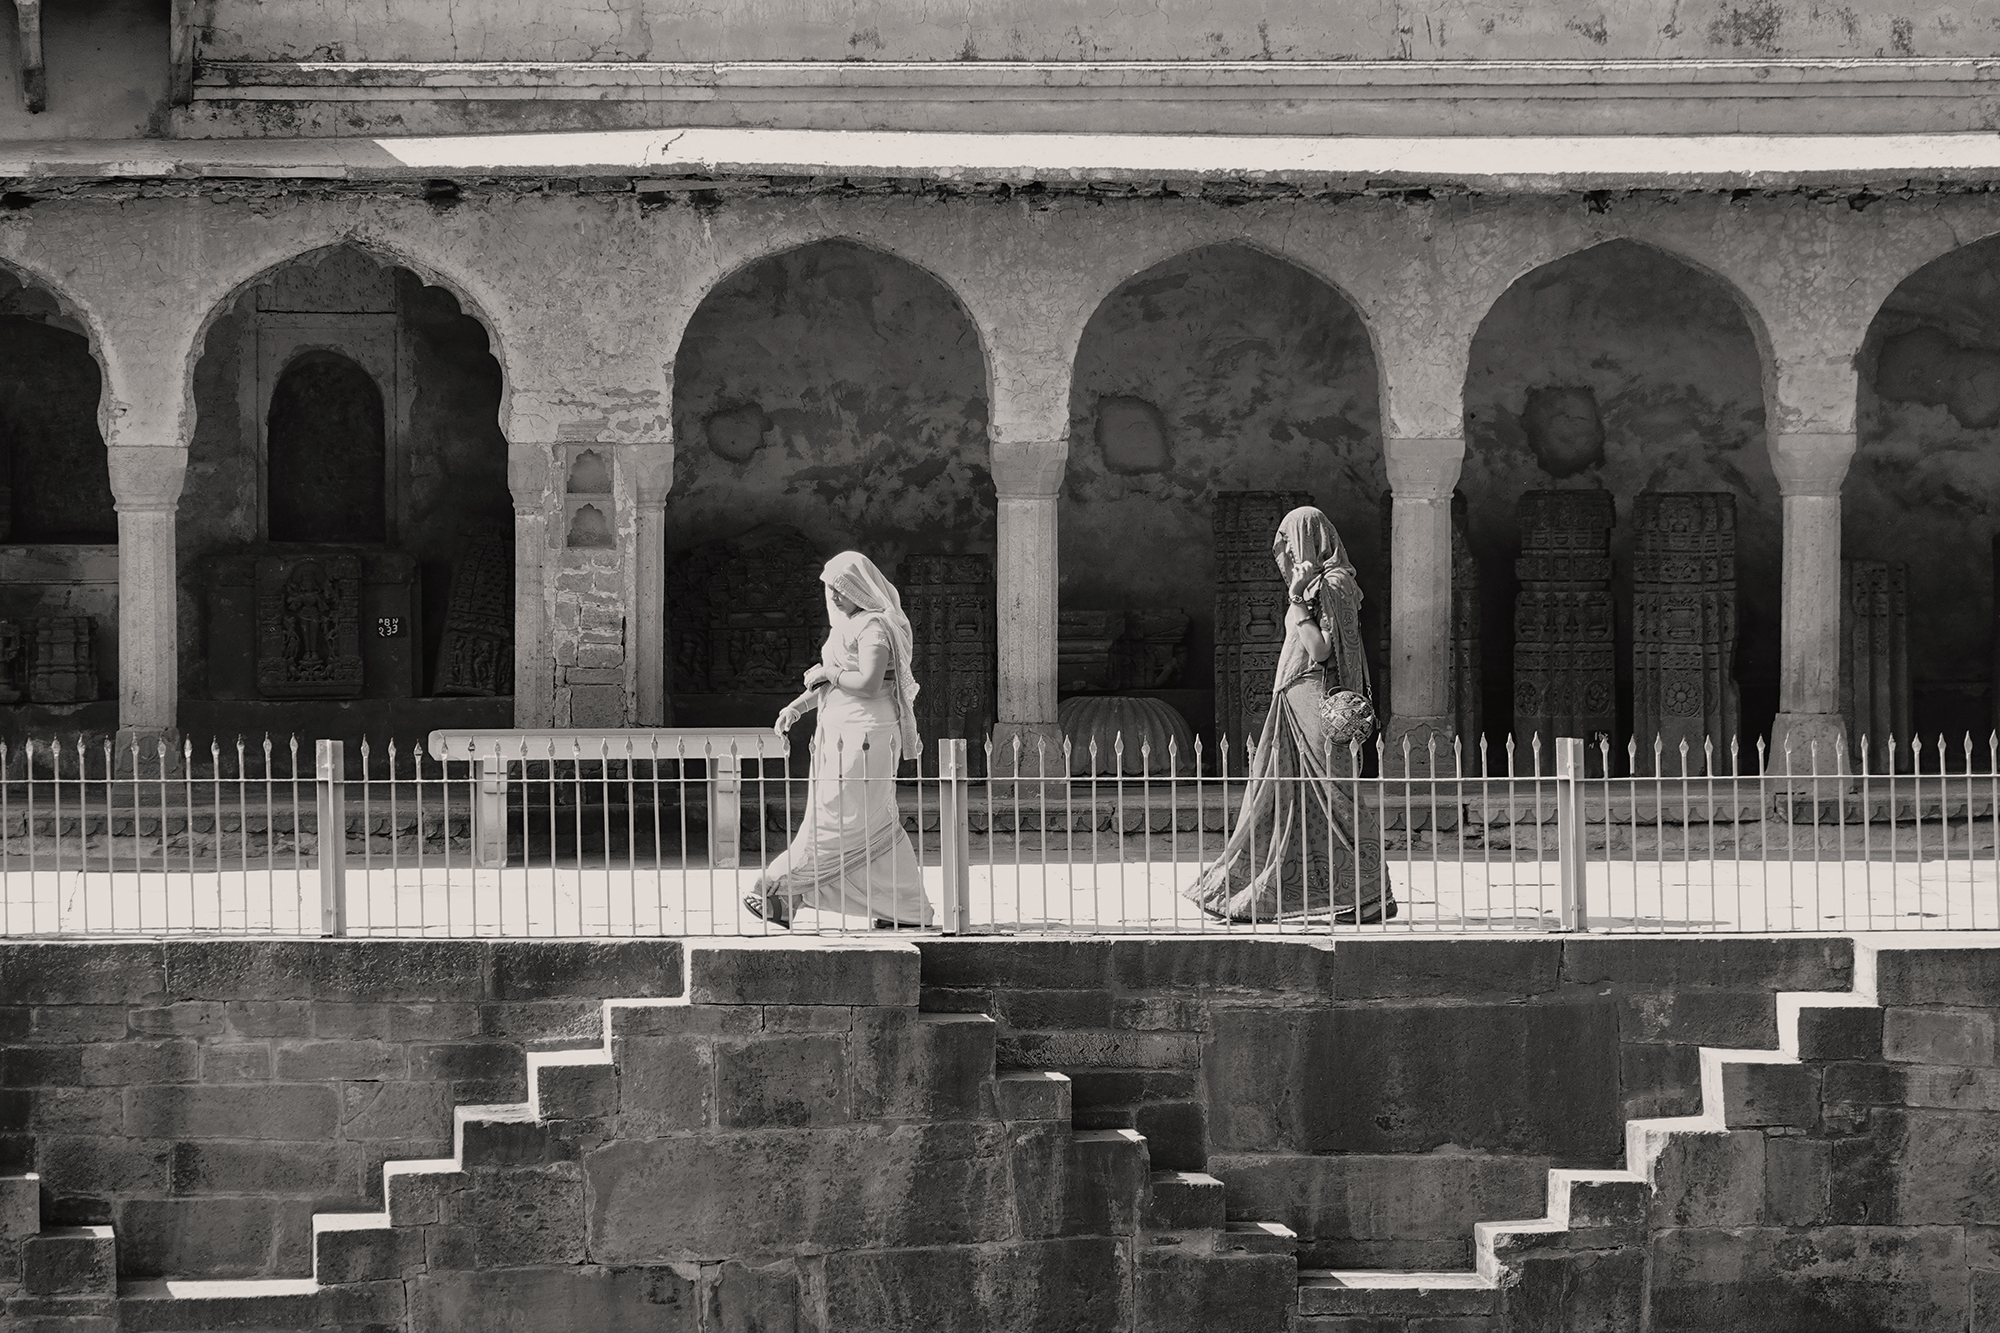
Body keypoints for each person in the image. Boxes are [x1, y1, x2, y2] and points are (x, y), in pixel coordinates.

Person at [1184, 506, 1395, 924]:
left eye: (1287, 544)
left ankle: (1374, 893)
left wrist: (1297, 599)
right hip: (1295, 703)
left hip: (1314, 703)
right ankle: (1269, 888)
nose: (1283, 556)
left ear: (1306, 541)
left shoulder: (1330, 586)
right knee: (1286, 799)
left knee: (1335, 798)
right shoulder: (1323, 585)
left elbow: (1320, 650)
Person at [744, 551, 935, 930]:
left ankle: (779, 886)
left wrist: (828, 670)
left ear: (860, 588)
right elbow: (829, 682)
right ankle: (905, 908)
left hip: (866, 735)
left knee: (845, 819)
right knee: (863, 821)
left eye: (841, 588)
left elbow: (865, 683)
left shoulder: (876, 627)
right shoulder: (847, 627)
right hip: (838, 733)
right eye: (830, 588)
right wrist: (797, 708)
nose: (833, 595)